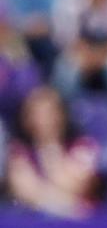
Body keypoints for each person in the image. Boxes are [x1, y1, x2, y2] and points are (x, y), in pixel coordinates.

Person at [6, 85, 99, 219]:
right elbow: (25, 191)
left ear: (61, 115)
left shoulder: (84, 145)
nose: (43, 119)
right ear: (26, 118)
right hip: (35, 224)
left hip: (82, 225)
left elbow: (73, 185)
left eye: (49, 112)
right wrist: (68, 207)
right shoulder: (18, 151)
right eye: (36, 113)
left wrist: (50, 146)